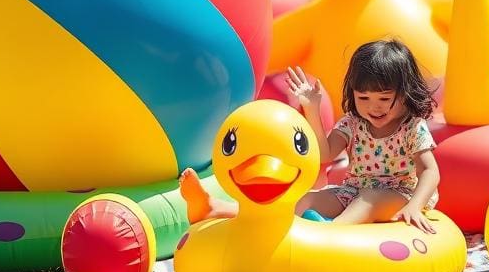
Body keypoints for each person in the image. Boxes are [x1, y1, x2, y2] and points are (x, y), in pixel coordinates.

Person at [180, 39, 441, 232]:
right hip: (354, 191)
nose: (374, 107)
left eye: (385, 98)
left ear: (406, 94)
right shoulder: (353, 123)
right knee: (306, 198)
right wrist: (312, 109)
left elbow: (430, 171)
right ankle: (217, 208)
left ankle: (328, 234)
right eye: (364, 98)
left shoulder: (411, 127)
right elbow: (325, 153)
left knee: (369, 200)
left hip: (399, 194)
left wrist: (414, 206)